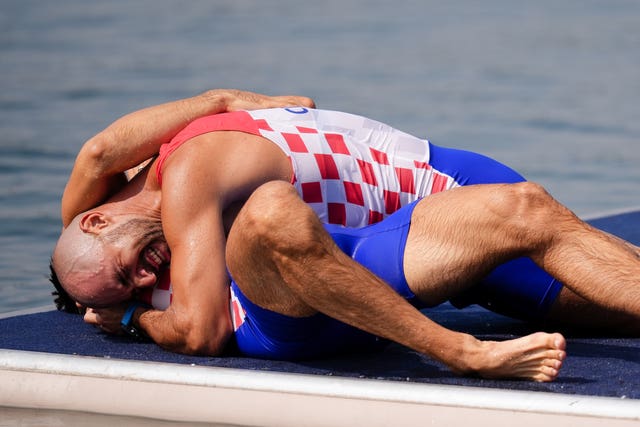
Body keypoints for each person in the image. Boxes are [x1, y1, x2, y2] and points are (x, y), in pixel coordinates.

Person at [50, 89, 640, 383]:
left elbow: (98, 151)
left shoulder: (114, 194)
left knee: (559, 234)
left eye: (129, 269)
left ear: (97, 217)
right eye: (130, 287)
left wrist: (226, 100)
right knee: (271, 213)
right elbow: (201, 331)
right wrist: (126, 316)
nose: (149, 277)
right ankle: (463, 350)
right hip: (342, 262)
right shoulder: (173, 207)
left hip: (430, 188)